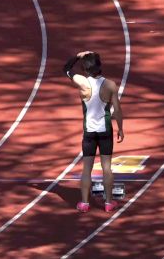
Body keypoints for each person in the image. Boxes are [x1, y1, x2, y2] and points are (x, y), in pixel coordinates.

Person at [63, 51, 124, 212]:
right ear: (100, 66)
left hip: (89, 132)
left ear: (85, 69)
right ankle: (109, 202)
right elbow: (117, 110)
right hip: (105, 131)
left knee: (87, 169)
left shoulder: (82, 82)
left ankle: (84, 203)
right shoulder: (110, 85)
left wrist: (77, 56)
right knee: (106, 167)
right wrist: (121, 128)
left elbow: (67, 69)